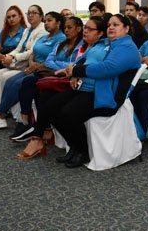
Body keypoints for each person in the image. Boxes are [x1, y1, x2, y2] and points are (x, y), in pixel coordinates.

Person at [50, 14, 141, 167]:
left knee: (68, 114)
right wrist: (72, 70)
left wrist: (77, 71)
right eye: (109, 25)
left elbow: (108, 69)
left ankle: (82, 151)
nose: (111, 27)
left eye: (116, 25)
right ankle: (74, 146)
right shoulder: (108, 43)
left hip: (107, 97)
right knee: (52, 108)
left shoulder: (127, 48)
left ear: (126, 29)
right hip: (92, 89)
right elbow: (86, 58)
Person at [17, 16, 105, 159]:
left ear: (100, 33)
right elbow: (52, 61)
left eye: (89, 28)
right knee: (43, 95)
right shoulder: (71, 44)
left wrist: (70, 69)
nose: (85, 31)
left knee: (53, 103)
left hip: (79, 85)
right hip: (69, 81)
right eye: (86, 27)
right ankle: (44, 135)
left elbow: (76, 66)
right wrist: (68, 68)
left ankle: (40, 136)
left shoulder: (94, 48)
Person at [0, 11, 66, 130]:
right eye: (46, 21)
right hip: (33, 66)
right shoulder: (44, 37)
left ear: (58, 23)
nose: (46, 23)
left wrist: (35, 66)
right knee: (10, 81)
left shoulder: (61, 38)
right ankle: (1, 116)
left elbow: (54, 58)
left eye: (50, 21)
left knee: (19, 83)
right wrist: (31, 63)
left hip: (45, 70)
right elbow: (33, 52)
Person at [10, 16, 84, 142]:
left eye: (69, 27)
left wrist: (59, 66)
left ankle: (41, 128)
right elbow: (49, 60)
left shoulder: (82, 45)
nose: (66, 30)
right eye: (65, 27)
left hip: (66, 78)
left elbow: (75, 64)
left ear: (78, 29)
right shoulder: (62, 43)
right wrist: (61, 67)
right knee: (28, 82)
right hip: (53, 75)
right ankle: (25, 120)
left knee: (40, 90)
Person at [0, 5, 48, 113]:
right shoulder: (27, 30)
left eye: (34, 13)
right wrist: (8, 56)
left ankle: (1, 110)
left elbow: (32, 52)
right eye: (28, 13)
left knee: (4, 76)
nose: (30, 15)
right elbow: (19, 48)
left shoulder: (42, 30)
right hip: (19, 61)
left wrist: (13, 58)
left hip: (28, 64)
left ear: (41, 16)